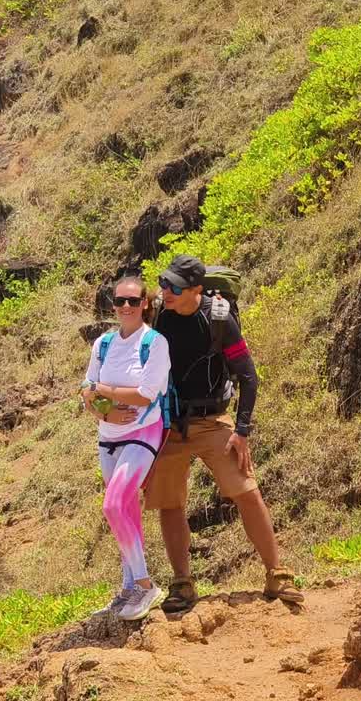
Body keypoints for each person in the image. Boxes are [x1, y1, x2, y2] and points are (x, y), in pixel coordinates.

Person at [146, 254, 303, 613]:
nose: (165, 291)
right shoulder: (158, 315)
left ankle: (276, 574)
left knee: (247, 491)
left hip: (213, 420)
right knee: (170, 504)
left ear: (196, 290)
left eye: (173, 287)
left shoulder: (219, 319)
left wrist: (242, 432)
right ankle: (182, 583)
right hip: (170, 424)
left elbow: (248, 376)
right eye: (163, 283)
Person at [81, 275, 171, 621]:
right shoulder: (103, 344)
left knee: (114, 504)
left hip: (142, 434)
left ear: (146, 303)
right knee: (126, 514)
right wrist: (100, 407)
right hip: (108, 437)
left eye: (133, 301)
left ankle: (146, 584)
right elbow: (86, 391)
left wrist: (107, 391)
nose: (126, 307)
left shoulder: (154, 343)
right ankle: (128, 587)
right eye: (120, 301)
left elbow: (148, 393)